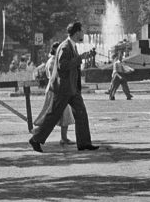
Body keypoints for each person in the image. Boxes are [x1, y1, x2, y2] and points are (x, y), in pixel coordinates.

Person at [28, 22, 99, 153]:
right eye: (81, 31)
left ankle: (84, 143)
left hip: (71, 89)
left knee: (81, 113)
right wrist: (79, 59)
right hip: (63, 89)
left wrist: (84, 57)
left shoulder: (72, 46)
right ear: (77, 32)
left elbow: (72, 65)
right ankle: (36, 139)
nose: (83, 34)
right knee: (53, 115)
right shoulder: (65, 46)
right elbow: (63, 66)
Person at [33, 46, 75, 145]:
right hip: (55, 90)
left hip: (55, 89)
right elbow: (57, 77)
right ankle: (37, 132)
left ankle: (62, 138)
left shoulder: (53, 60)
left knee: (61, 113)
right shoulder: (53, 62)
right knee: (54, 114)